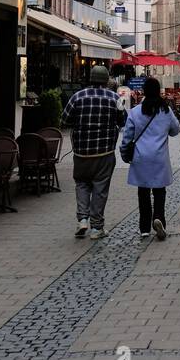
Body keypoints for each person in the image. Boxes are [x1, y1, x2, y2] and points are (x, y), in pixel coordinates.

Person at [60, 64, 127, 241]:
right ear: (106, 81)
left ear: (90, 79)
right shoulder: (114, 98)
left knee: (81, 184)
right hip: (104, 152)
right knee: (100, 188)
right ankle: (97, 228)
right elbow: (123, 121)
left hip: (81, 152)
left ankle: (82, 219)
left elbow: (64, 119)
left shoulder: (77, 96)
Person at [121, 77, 180, 239]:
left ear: (145, 92)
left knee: (143, 192)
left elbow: (127, 137)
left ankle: (144, 227)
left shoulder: (135, 111)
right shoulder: (166, 111)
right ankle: (159, 218)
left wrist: (124, 153)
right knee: (160, 191)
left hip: (141, 157)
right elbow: (176, 130)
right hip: (159, 157)